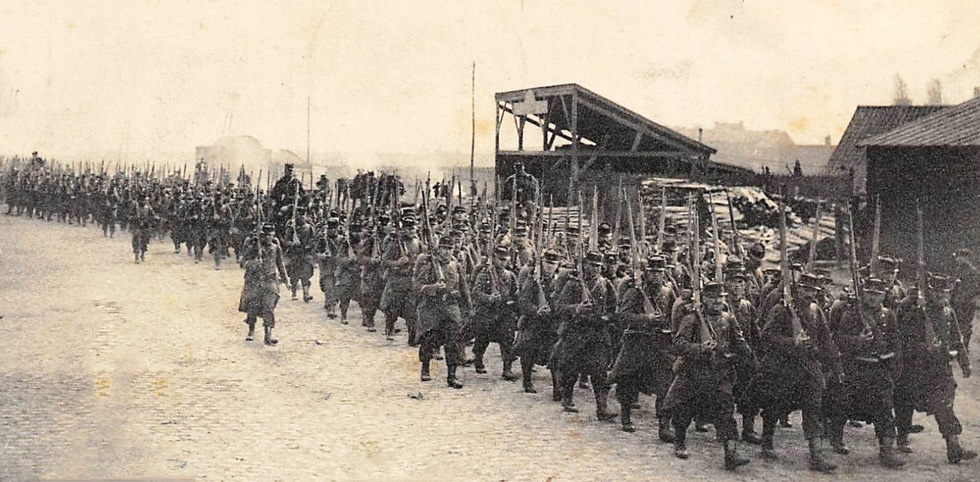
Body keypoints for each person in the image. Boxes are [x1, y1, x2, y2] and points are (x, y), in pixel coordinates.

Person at [751, 273, 840, 472]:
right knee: (775, 406)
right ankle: (767, 441)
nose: (809, 295)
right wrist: (792, 342)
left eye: (813, 291)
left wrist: (833, 361)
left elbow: (826, 339)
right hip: (783, 369)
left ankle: (816, 454)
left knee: (813, 409)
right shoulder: (781, 310)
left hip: (809, 370)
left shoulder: (816, 311)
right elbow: (766, 336)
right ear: (797, 289)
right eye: (806, 290)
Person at [664, 281, 753, 470]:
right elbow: (678, 343)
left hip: (720, 373)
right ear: (704, 299)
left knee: (726, 411)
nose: (717, 302)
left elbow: (739, 341)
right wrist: (699, 348)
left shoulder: (728, 318)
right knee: (684, 409)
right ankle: (679, 443)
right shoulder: (692, 319)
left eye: (720, 298)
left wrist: (748, 358)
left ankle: (730, 453)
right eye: (712, 298)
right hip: (694, 372)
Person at [894, 273, 976, 463]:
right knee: (906, 402)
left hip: (940, 369)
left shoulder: (949, 312)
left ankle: (953, 445)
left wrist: (964, 363)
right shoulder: (914, 310)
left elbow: (957, 339)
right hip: (915, 368)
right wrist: (925, 348)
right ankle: (902, 436)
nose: (940, 295)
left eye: (944, 292)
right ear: (928, 291)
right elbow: (903, 340)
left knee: (944, 404)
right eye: (936, 291)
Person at [824, 277, 906, 468]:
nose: (872, 298)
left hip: (879, 370)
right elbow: (839, 339)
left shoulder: (889, 315)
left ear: (884, 295)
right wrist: (858, 340)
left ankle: (886, 451)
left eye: (877, 294)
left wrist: (895, 369)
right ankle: (836, 439)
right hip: (856, 368)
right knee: (843, 406)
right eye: (869, 293)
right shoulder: (852, 314)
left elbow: (895, 343)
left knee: (885, 409)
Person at [610, 256, 676, 441]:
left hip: (659, 344)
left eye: (660, 272)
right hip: (637, 341)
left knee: (665, 383)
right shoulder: (634, 292)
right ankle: (626, 416)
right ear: (646, 273)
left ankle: (664, 426)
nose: (656, 276)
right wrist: (646, 319)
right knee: (628, 381)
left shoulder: (667, 292)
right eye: (653, 272)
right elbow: (622, 317)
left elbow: (672, 315)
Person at [551, 251, 619, 421]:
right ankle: (567, 398)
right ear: (584, 265)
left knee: (600, 371)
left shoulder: (605, 284)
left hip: (597, 333)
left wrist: (607, 318)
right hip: (576, 331)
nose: (594, 268)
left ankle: (602, 407)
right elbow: (559, 307)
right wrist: (576, 309)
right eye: (591, 265)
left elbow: (614, 308)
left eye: (597, 265)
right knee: (571, 368)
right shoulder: (573, 284)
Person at [414, 235, 471, 388]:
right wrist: (431, 288)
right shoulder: (429, 265)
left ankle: (451, 376)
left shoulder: (456, 265)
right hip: (432, 309)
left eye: (449, 248)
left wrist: (468, 308)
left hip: (450, 308)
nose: (446, 252)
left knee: (452, 342)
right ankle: (425, 367)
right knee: (429, 340)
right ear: (439, 249)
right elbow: (417, 286)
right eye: (444, 248)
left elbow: (464, 287)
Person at [238, 223, 289, 345]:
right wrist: (254, 263)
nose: (267, 238)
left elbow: (280, 265)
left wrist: (286, 280)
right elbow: (243, 262)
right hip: (255, 280)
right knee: (253, 306)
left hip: (270, 280)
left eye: (270, 235)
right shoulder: (254, 248)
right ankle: (251, 329)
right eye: (265, 236)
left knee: (269, 307)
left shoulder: (276, 248)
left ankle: (268, 334)